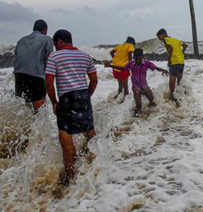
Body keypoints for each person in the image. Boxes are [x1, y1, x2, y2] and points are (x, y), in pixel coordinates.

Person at [45, 29, 98, 185]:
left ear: (60, 41)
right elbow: (94, 80)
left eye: (55, 44)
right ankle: (93, 165)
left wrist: (54, 102)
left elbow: (49, 82)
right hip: (83, 95)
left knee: (65, 135)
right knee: (89, 131)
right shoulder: (85, 56)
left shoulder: (54, 56)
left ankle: (70, 176)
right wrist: (87, 96)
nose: (55, 47)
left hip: (66, 98)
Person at [105, 48, 168, 116]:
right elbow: (123, 68)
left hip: (145, 86)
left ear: (142, 57)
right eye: (136, 58)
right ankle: (137, 116)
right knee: (139, 106)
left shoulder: (147, 63)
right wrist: (110, 65)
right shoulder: (131, 63)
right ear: (134, 57)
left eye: (139, 58)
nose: (137, 60)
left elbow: (155, 67)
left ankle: (152, 115)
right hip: (136, 87)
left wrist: (163, 70)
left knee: (152, 101)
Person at [14, 19, 54, 112]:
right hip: (36, 76)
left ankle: (24, 126)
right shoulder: (47, 39)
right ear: (45, 30)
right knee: (39, 110)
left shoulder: (21, 40)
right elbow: (49, 60)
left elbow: (16, 58)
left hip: (19, 75)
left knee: (24, 108)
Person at [156, 29, 187, 102]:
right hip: (181, 61)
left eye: (159, 37)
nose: (159, 39)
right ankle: (181, 92)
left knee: (172, 78)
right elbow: (185, 45)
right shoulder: (175, 39)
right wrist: (182, 53)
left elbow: (170, 49)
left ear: (163, 34)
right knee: (179, 78)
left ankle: (172, 95)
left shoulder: (166, 40)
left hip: (174, 61)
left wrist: (169, 60)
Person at [110, 37, 135, 102]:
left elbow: (111, 52)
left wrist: (115, 59)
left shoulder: (120, 46)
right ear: (132, 42)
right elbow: (130, 53)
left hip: (115, 67)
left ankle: (118, 95)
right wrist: (131, 63)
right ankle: (124, 101)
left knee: (120, 85)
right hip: (123, 67)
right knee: (125, 85)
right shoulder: (130, 45)